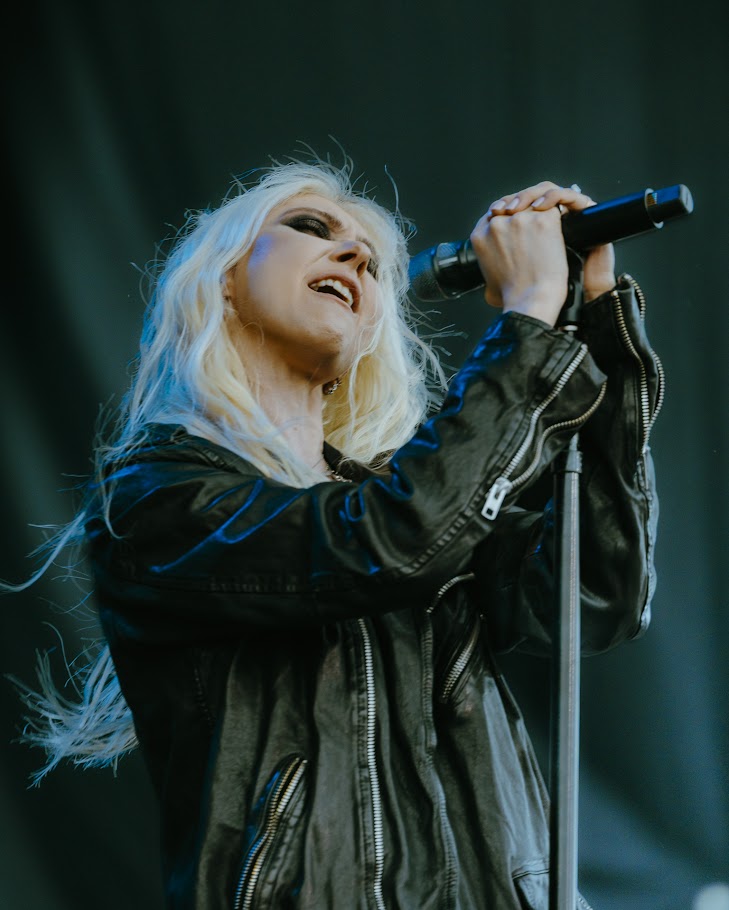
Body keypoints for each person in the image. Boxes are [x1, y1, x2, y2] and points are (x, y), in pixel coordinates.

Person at [9, 157, 662, 910]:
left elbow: (595, 594)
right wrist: (525, 318)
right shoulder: (156, 497)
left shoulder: (417, 500)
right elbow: (382, 544)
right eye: (311, 228)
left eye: (372, 262)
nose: (354, 254)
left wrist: (596, 321)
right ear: (223, 279)